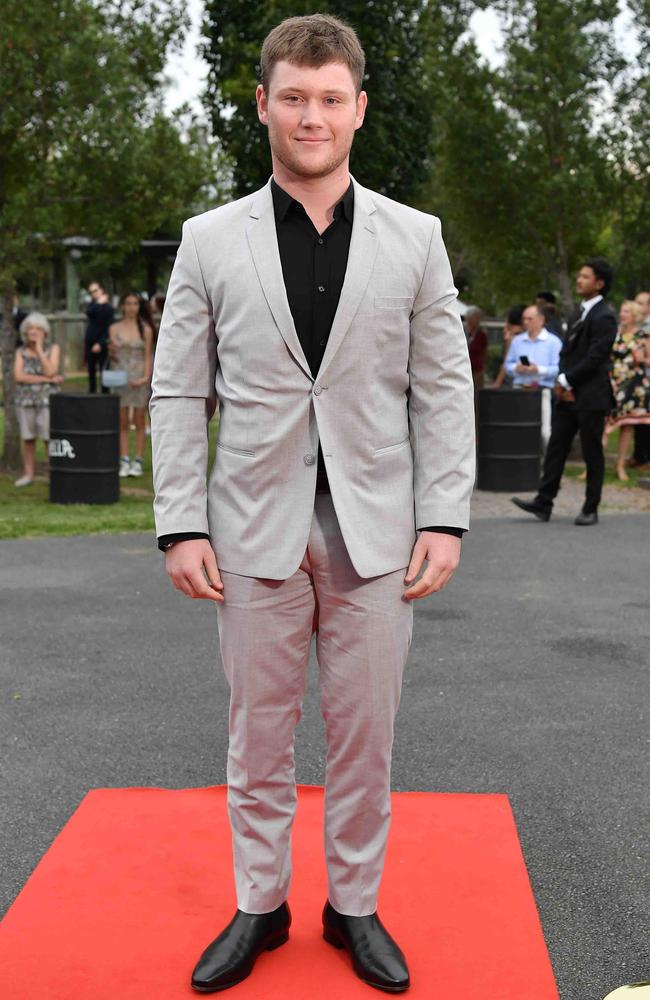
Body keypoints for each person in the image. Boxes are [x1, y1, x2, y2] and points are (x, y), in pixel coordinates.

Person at [150, 13, 475, 995]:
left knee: (362, 730)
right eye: (292, 95)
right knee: (256, 729)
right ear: (262, 104)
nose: (310, 115)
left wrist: (444, 512)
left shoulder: (413, 239)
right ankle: (259, 902)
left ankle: (353, 905)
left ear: (358, 109)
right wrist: (179, 519)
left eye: (329, 98)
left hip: (376, 529)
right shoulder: (209, 240)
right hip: (249, 527)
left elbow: (443, 384)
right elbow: (176, 387)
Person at [512, 257, 617, 526]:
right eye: (579, 275)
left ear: (599, 283)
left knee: (592, 452)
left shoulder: (605, 316)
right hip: (568, 394)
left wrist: (567, 379)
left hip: (591, 395)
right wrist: (561, 381)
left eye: (585, 276)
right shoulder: (577, 312)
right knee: (556, 446)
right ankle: (543, 502)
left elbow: (596, 356)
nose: (579, 280)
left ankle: (590, 508)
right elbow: (568, 352)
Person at [13, 312, 63, 486]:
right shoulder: (20, 351)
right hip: (25, 400)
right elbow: (19, 376)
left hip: (47, 401)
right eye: (30, 329)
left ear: (45, 332)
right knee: (28, 438)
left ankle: (53, 473)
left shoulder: (53, 349)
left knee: (49, 437)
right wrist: (47, 380)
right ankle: (28, 474)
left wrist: (40, 350)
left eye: (37, 328)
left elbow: (51, 370)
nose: (33, 332)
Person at [108, 291, 154, 477]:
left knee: (139, 419)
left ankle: (138, 460)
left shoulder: (146, 329)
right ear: (122, 306)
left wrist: (145, 377)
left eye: (135, 303)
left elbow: (148, 356)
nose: (131, 307)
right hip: (120, 377)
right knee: (123, 420)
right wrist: (111, 350)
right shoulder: (114, 328)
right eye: (128, 303)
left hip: (139, 378)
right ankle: (124, 458)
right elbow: (112, 355)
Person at [603, 300, 650, 480]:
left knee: (626, 425)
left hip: (633, 385)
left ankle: (620, 465)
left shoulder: (642, 335)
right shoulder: (614, 333)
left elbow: (649, 360)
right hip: (612, 381)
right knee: (604, 423)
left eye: (627, 312)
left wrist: (642, 360)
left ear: (635, 315)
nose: (622, 315)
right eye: (622, 311)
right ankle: (593, 465)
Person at [504, 303, 562, 446]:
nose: (525, 322)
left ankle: (545, 465)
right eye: (524, 319)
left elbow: (558, 369)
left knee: (545, 431)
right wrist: (517, 368)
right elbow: (507, 365)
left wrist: (539, 370)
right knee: (518, 428)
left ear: (541, 320)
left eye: (530, 319)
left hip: (542, 390)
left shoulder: (554, 342)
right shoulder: (517, 341)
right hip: (519, 389)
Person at [630, 290, 650, 468]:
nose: (636, 305)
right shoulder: (639, 326)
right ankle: (639, 456)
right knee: (639, 422)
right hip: (637, 381)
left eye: (641, 302)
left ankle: (644, 457)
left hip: (646, 379)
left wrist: (642, 359)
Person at [84, 281, 114, 394]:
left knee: (104, 373)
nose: (94, 294)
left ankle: (105, 398)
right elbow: (89, 312)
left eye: (95, 290)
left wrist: (101, 343)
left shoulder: (109, 308)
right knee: (91, 373)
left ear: (101, 290)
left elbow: (109, 328)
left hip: (103, 344)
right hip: (90, 343)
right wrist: (99, 303)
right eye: (91, 292)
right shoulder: (92, 306)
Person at [492, 304, 525, 388]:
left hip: (513, 380)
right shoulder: (522, 336)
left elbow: (506, 362)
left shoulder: (513, 338)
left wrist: (497, 383)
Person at [464, 306, 488, 389]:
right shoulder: (464, 333)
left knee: (477, 394)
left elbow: (484, 352)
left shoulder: (481, 335)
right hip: (464, 369)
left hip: (476, 371)